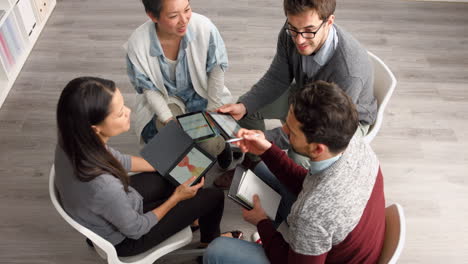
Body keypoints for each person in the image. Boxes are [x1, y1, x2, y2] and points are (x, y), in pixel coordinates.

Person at [54, 77, 241, 257]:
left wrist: (166, 164)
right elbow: (137, 229)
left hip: (108, 210)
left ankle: (190, 216)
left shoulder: (72, 140)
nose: (128, 111)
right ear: (95, 128)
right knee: (214, 196)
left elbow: (120, 160)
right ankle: (211, 244)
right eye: (120, 113)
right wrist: (176, 199)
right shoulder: (104, 187)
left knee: (176, 176)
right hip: (128, 238)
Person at [204, 81, 385, 264]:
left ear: (317, 149)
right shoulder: (353, 139)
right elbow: (311, 184)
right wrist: (265, 150)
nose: (282, 131)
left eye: (291, 132)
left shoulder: (312, 214)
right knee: (262, 167)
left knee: (217, 250)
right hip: (349, 241)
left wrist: (262, 223)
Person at [215, 0, 376, 183]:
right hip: (306, 94)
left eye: (309, 30)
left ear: (329, 22)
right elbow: (277, 77)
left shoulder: (348, 72)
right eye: (293, 29)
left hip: (340, 120)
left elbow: (319, 127)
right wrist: (244, 106)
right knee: (248, 108)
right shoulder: (293, 29)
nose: (299, 40)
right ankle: (255, 164)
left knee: (299, 153)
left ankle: (290, 191)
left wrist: (265, 139)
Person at [126, 0, 234, 168]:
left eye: (187, 9)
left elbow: (217, 70)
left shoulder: (205, 28)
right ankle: (193, 177)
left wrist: (212, 109)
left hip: (203, 95)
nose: (184, 20)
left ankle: (220, 147)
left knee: (210, 144)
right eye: (173, 16)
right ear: (152, 16)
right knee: (175, 141)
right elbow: (150, 89)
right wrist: (168, 119)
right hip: (167, 100)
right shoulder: (137, 44)